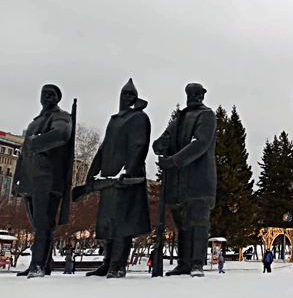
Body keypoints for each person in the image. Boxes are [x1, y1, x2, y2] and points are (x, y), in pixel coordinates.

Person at [83, 79, 151, 279]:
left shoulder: (139, 117)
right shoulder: (114, 120)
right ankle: (107, 262)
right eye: (125, 93)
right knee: (107, 223)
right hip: (108, 178)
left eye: (132, 94)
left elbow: (140, 146)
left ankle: (118, 264)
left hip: (125, 179)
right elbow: (103, 148)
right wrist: (92, 174)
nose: (128, 97)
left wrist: (128, 172)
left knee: (122, 224)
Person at [153, 83, 217, 278]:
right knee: (182, 223)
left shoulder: (207, 115)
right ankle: (184, 262)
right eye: (192, 93)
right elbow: (161, 141)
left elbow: (200, 144)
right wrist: (159, 145)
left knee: (198, 221)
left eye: (198, 93)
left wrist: (173, 161)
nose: (195, 96)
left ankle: (197, 263)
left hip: (199, 178)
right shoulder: (179, 119)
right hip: (179, 181)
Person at [11, 84, 73, 278]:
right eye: (44, 94)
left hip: (48, 179)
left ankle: (37, 264)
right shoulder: (36, 121)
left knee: (43, 223)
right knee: (38, 225)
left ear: (57, 98)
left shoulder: (61, 116)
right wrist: (16, 181)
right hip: (30, 180)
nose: (47, 97)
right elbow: (23, 155)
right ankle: (42, 264)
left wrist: (34, 142)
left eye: (51, 94)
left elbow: (61, 134)